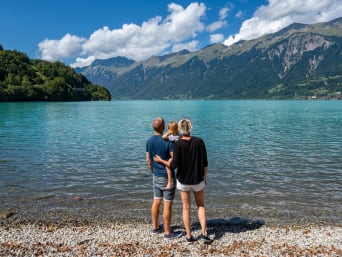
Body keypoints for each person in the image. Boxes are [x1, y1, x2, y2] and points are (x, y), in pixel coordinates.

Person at [154, 118, 212, 244]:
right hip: (198, 179)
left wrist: (162, 161)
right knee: (200, 205)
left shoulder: (178, 143)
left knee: (186, 207)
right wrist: (205, 177)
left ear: (180, 129)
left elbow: (173, 165)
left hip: (183, 180)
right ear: (191, 128)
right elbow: (205, 163)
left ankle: (189, 236)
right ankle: (204, 233)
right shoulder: (199, 141)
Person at [146, 117, 182, 240]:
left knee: (156, 200)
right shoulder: (168, 142)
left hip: (155, 176)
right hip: (167, 177)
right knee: (167, 204)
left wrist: (153, 171)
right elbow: (173, 159)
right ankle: (168, 233)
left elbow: (148, 160)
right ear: (162, 127)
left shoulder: (149, 141)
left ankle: (155, 227)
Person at [162, 120, 180, 189]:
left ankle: (170, 182)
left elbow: (163, 137)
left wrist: (169, 132)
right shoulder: (179, 136)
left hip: (175, 155)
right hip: (178, 153)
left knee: (167, 165)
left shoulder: (173, 137)